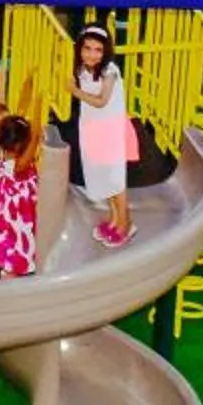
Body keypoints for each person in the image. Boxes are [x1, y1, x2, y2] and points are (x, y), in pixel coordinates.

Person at [72, 25, 133, 246]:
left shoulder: (110, 71)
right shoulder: (82, 69)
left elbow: (102, 101)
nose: (91, 54)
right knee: (104, 176)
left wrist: (75, 91)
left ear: (105, 51)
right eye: (87, 48)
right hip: (91, 127)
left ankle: (125, 223)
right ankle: (115, 219)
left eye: (98, 50)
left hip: (110, 130)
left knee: (115, 179)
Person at [0, 110, 40, 279]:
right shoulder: (17, 165)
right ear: (20, 145)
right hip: (16, 219)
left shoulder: (3, 152)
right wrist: (35, 132)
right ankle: (7, 289)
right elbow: (33, 144)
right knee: (14, 259)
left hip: (6, 217)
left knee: (2, 252)